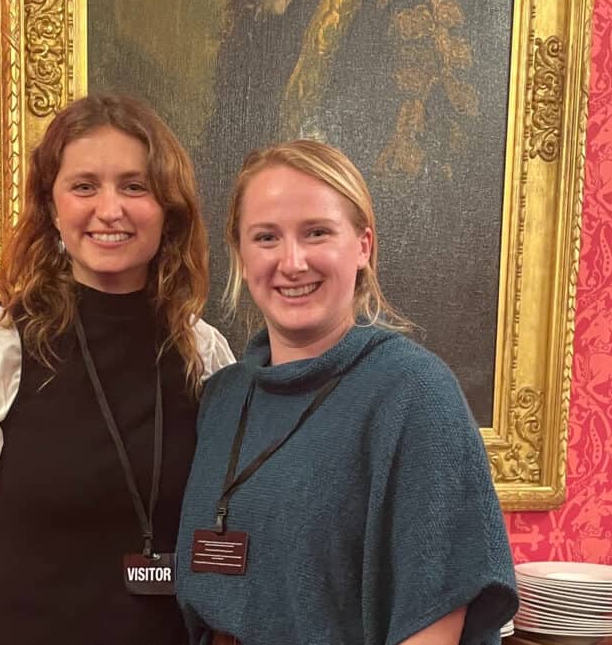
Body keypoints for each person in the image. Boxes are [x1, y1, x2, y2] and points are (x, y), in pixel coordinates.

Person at [0, 94, 234, 645]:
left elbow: (222, 535)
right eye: (85, 186)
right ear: (51, 206)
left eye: (135, 186)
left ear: (169, 210)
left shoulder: (205, 353)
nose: (111, 210)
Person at [176, 139, 518, 645]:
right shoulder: (222, 399)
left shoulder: (414, 394)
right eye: (266, 237)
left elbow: (434, 624)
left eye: (317, 233)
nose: (291, 262)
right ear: (241, 255)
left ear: (362, 246)